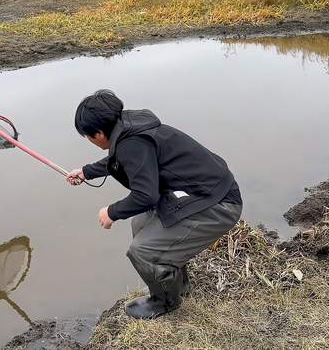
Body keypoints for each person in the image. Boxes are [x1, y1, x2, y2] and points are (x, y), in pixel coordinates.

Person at [66, 89, 243, 319]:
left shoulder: (132, 142)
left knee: (142, 251)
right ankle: (179, 285)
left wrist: (111, 212)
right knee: (140, 223)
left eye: (87, 136)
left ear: (99, 134)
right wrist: (86, 172)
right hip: (205, 193)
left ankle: (165, 302)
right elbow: (121, 159)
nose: (89, 140)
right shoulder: (127, 125)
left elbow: (146, 195)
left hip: (219, 203)